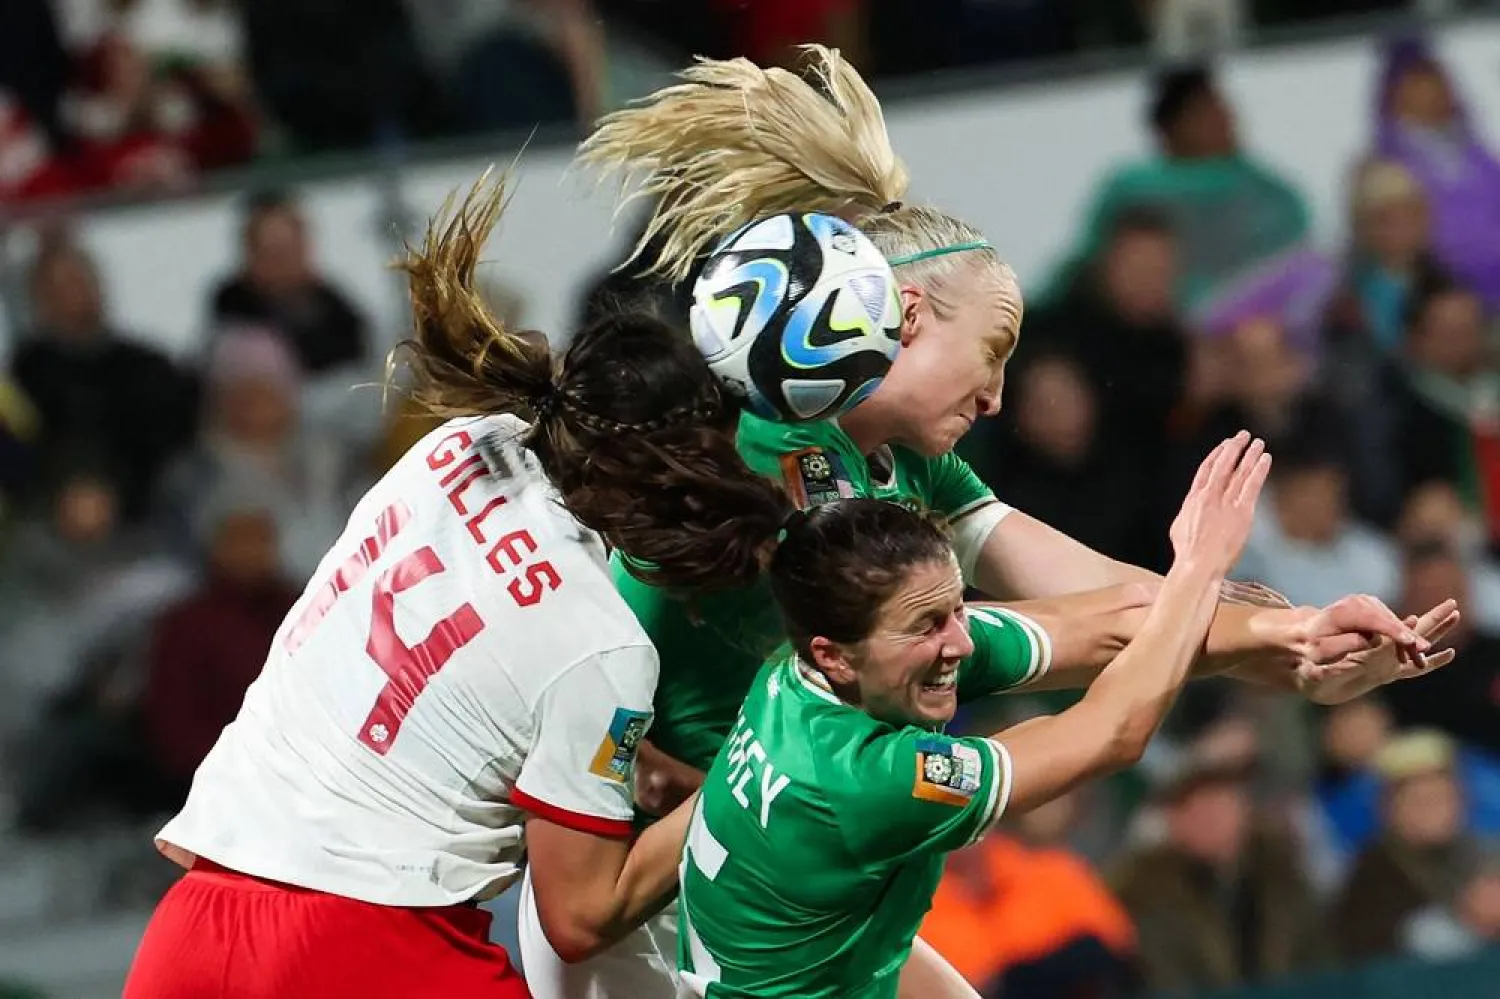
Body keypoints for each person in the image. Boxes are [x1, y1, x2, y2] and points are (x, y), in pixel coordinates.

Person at [520, 45, 1451, 999]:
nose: (1001, 396)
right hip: (703, 881)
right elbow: (1108, 702)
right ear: (908, 314)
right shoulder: (746, 454)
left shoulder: (897, 469)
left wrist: (1292, 635)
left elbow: (1102, 601)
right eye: (994, 351)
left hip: (806, 860)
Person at [123, 174, 751, 997]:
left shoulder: (457, 446)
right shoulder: (603, 645)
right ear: (664, 474)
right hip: (359, 942)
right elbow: (580, 912)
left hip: (197, 922)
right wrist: (752, 779)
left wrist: (641, 766)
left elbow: (474, 684)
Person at [673, 436, 1454, 998]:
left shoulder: (831, 664)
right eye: (928, 627)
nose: (958, 644)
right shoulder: (858, 780)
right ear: (835, 653)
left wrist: (1298, 632)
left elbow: (1110, 623)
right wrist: (1200, 566)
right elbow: (1110, 730)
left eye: (956, 610)